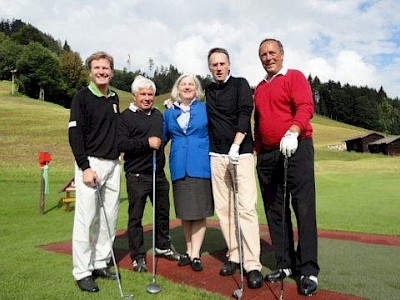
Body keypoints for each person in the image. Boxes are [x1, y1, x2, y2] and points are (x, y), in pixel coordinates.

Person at [254, 38, 319, 296]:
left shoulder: (294, 77)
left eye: (272, 52)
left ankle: (308, 270)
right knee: (275, 211)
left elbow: (305, 107)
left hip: (296, 147)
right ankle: (285, 264)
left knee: (302, 207)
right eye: (263, 54)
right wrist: (258, 153)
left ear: (281, 54)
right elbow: (258, 123)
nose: (268, 57)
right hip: (268, 155)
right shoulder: (259, 88)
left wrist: (293, 131)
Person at [205, 47, 263, 289]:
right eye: (214, 64)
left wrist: (237, 144)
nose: (218, 68)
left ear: (229, 64)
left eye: (222, 63)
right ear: (209, 67)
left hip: (240, 154)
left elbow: (245, 113)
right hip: (216, 156)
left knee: (246, 208)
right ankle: (235, 254)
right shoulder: (207, 90)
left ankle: (252, 264)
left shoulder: (240, 84)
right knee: (225, 209)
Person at [68, 51, 120, 293]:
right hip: (91, 164)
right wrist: (84, 167)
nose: (101, 71)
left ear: (111, 70)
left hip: (113, 165)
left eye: (105, 68)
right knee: (86, 219)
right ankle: (82, 271)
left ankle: (99, 262)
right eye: (97, 68)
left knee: (108, 217)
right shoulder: (81, 97)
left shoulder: (114, 98)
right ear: (90, 71)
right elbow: (74, 134)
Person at [119, 75, 180, 273]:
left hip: (158, 174)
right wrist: (146, 143)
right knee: (136, 217)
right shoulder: (125, 117)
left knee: (162, 212)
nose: (147, 98)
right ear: (134, 95)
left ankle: (162, 246)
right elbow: (121, 144)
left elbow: (164, 138)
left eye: (150, 94)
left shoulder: (157, 115)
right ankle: (137, 256)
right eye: (143, 94)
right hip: (136, 175)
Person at [163, 74, 214, 272]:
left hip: (200, 164)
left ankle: (195, 254)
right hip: (178, 165)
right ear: (178, 88)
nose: (187, 87)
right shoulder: (169, 113)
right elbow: (162, 136)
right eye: (183, 84)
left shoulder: (205, 109)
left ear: (196, 89)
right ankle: (188, 249)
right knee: (185, 212)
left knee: (199, 212)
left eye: (191, 84)